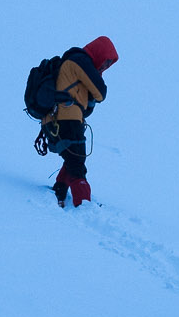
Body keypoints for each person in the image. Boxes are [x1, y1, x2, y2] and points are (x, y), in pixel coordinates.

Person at [24, 36, 118, 207]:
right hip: (66, 119)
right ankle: (83, 205)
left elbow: (87, 108)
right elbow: (101, 92)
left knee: (74, 159)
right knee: (77, 163)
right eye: (106, 61)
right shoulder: (80, 60)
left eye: (108, 64)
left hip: (59, 119)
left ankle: (59, 192)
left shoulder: (74, 66)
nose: (105, 66)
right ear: (99, 52)